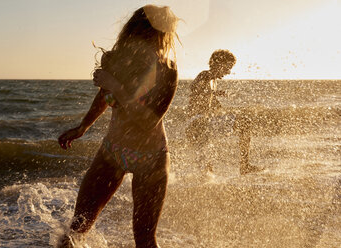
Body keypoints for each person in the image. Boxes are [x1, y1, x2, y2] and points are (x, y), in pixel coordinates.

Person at [57, 5, 179, 248]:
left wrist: (116, 86)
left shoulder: (167, 70)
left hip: (151, 158)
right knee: (75, 231)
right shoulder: (117, 60)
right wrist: (83, 126)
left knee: (144, 241)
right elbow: (104, 96)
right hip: (112, 152)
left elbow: (148, 121)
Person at [185, 50, 236, 171]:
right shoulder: (205, 75)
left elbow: (211, 104)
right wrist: (214, 93)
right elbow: (194, 88)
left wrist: (221, 107)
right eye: (227, 67)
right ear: (218, 64)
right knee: (244, 122)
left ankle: (206, 182)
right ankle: (245, 166)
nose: (228, 72)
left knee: (206, 159)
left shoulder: (214, 81)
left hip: (202, 122)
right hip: (195, 122)